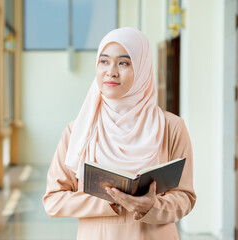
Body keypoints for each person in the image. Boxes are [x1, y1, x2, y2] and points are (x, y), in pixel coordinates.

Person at [42, 27, 196, 239]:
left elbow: (185, 198)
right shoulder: (78, 130)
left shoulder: (171, 127)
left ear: (142, 68)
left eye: (124, 62)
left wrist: (152, 205)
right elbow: (53, 201)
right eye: (104, 61)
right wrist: (110, 201)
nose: (111, 71)